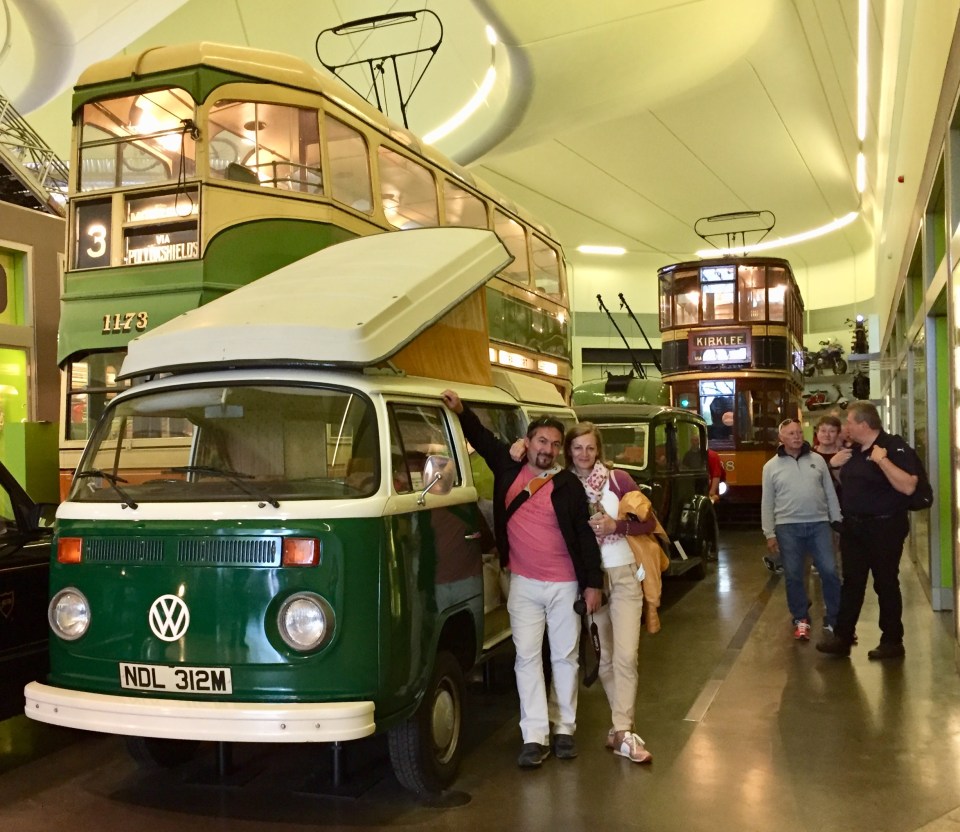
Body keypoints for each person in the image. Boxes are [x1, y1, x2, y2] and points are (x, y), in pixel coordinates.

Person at [440, 390, 603, 768]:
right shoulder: (508, 467)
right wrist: (461, 409)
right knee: (526, 658)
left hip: (565, 585)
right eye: (542, 441)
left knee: (565, 658)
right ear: (527, 442)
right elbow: (481, 437)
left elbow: (584, 535)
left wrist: (593, 584)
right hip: (524, 584)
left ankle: (564, 728)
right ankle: (534, 735)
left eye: (555, 445)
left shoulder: (568, 485)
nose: (548, 449)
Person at [563, 422, 657, 763]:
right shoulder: (564, 485)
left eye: (590, 447)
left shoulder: (619, 480)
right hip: (591, 581)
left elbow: (650, 522)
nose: (584, 454)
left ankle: (622, 729)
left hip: (625, 574)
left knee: (626, 656)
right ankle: (621, 731)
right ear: (568, 451)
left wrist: (617, 525)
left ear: (598, 450)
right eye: (578, 448)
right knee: (604, 658)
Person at [816, 401, 919, 660]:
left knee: (885, 583)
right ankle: (843, 636)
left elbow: (908, 486)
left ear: (863, 424)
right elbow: (850, 484)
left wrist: (882, 461)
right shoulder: (855, 450)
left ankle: (892, 641)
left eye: (849, 422)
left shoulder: (893, 447)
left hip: (884, 527)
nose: (846, 427)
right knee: (852, 583)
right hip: (854, 527)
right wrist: (835, 467)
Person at [760, 418, 842, 640]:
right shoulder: (770, 467)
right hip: (787, 528)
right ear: (781, 438)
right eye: (791, 433)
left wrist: (836, 521)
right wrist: (769, 533)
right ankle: (800, 618)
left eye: (798, 432)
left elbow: (830, 493)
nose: (796, 436)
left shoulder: (817, 460)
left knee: (829, 570)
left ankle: (835, 618)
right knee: (794, 574)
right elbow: (767, 502)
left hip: (819, 524)